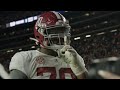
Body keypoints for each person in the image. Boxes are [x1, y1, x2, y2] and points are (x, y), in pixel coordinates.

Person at [9, 11, 88, 79]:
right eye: (54, 31)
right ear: (40, 34)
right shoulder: (25, 58)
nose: (60, 35)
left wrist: (78, 67)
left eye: (62, 30)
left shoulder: (75, 57)